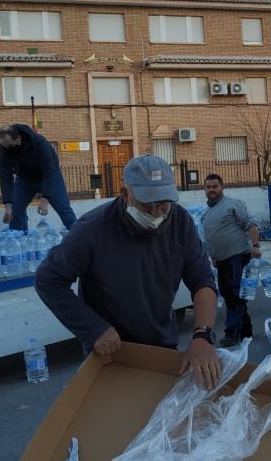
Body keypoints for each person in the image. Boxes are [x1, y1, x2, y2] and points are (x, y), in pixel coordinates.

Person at [34, 154, 222, 388]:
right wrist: (93, 329)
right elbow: (48, 279)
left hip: (162, 346)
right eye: (147, 203)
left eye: (164, 202)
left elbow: (202, 280)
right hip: (111, 353)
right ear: (126, 194)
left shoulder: (179, 222)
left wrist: (202, 336)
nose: (156, 212)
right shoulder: (94, 229)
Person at [201, 174, 261, 347]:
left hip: (237, 256)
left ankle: (231, 333)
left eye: (214, 187)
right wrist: (213, 257)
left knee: (234, 294)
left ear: (222, 187)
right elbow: (211, 237)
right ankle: (246, 330)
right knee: (231, 295)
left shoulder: (233, 204)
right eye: (208, 187)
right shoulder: (206, 214)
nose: (211, 190)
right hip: (221, 261)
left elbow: (250, 224)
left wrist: (255, 245)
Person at [0, 124, 77, 232]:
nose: (9, 150)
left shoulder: (39, 143)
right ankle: (19, 241)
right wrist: (8, 204)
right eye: (6, 147)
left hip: (48, 176)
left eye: (11, 146)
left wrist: (44, 199)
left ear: (18, 138)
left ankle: (78, 236)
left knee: (63, 208)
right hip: (24, 179)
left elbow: (49, 170)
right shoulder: (4, 150)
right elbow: (5, 177)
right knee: (15, 211)